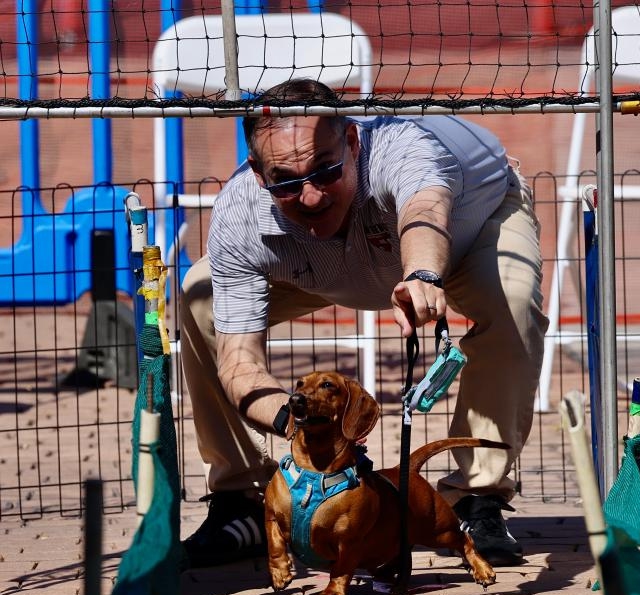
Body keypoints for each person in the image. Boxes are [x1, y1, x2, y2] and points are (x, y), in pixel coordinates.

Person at [179, 78, 547, 568]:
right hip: (325, 267)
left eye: (326, 171)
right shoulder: (240, 214)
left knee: (515, 302)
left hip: (464, 236)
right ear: (259, 175)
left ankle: (477, 499)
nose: (310, 197)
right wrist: (291, 421)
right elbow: (238, 362)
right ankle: (241, 501)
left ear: (352, 142)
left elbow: (424, 209)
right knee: (199, 294)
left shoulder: (401, 147)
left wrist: (420, 274)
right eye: (286, 181)